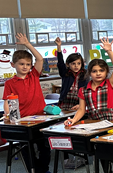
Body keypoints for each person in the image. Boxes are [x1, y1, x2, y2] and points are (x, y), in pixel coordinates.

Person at [64, 37, 113, 173]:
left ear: (106, 72)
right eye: (94, 71)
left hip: (112, 122)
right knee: (102, 152)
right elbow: (81, 110)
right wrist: (73, 120)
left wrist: (109, 51)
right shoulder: (83, 90)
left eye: (101, 71)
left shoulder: (110, 84)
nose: (98, 73)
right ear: (89, 73)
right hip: (95, 124)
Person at [2, 33, 49, 173]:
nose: (25, 67)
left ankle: (43, 169)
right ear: (13, 65)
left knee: (44, 147)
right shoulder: (10, 83)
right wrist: (7, 115)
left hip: (40, 118)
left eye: (28, 64)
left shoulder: (33, 75)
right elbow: (7, 101)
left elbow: (39, 59)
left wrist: (27, 44)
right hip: (22, 121)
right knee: (26, 149)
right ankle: (33, 170)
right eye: (21, 64)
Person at [55, 37, 88, 111]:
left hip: (78, 102)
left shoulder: (85, 74)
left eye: (78, 63)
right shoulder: (65, 73)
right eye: (73, 64)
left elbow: (87, 91)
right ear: (68, 64)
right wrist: (59, 47)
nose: (76, 66)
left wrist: (82, 104)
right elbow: (60, 62)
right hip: (65, 102)